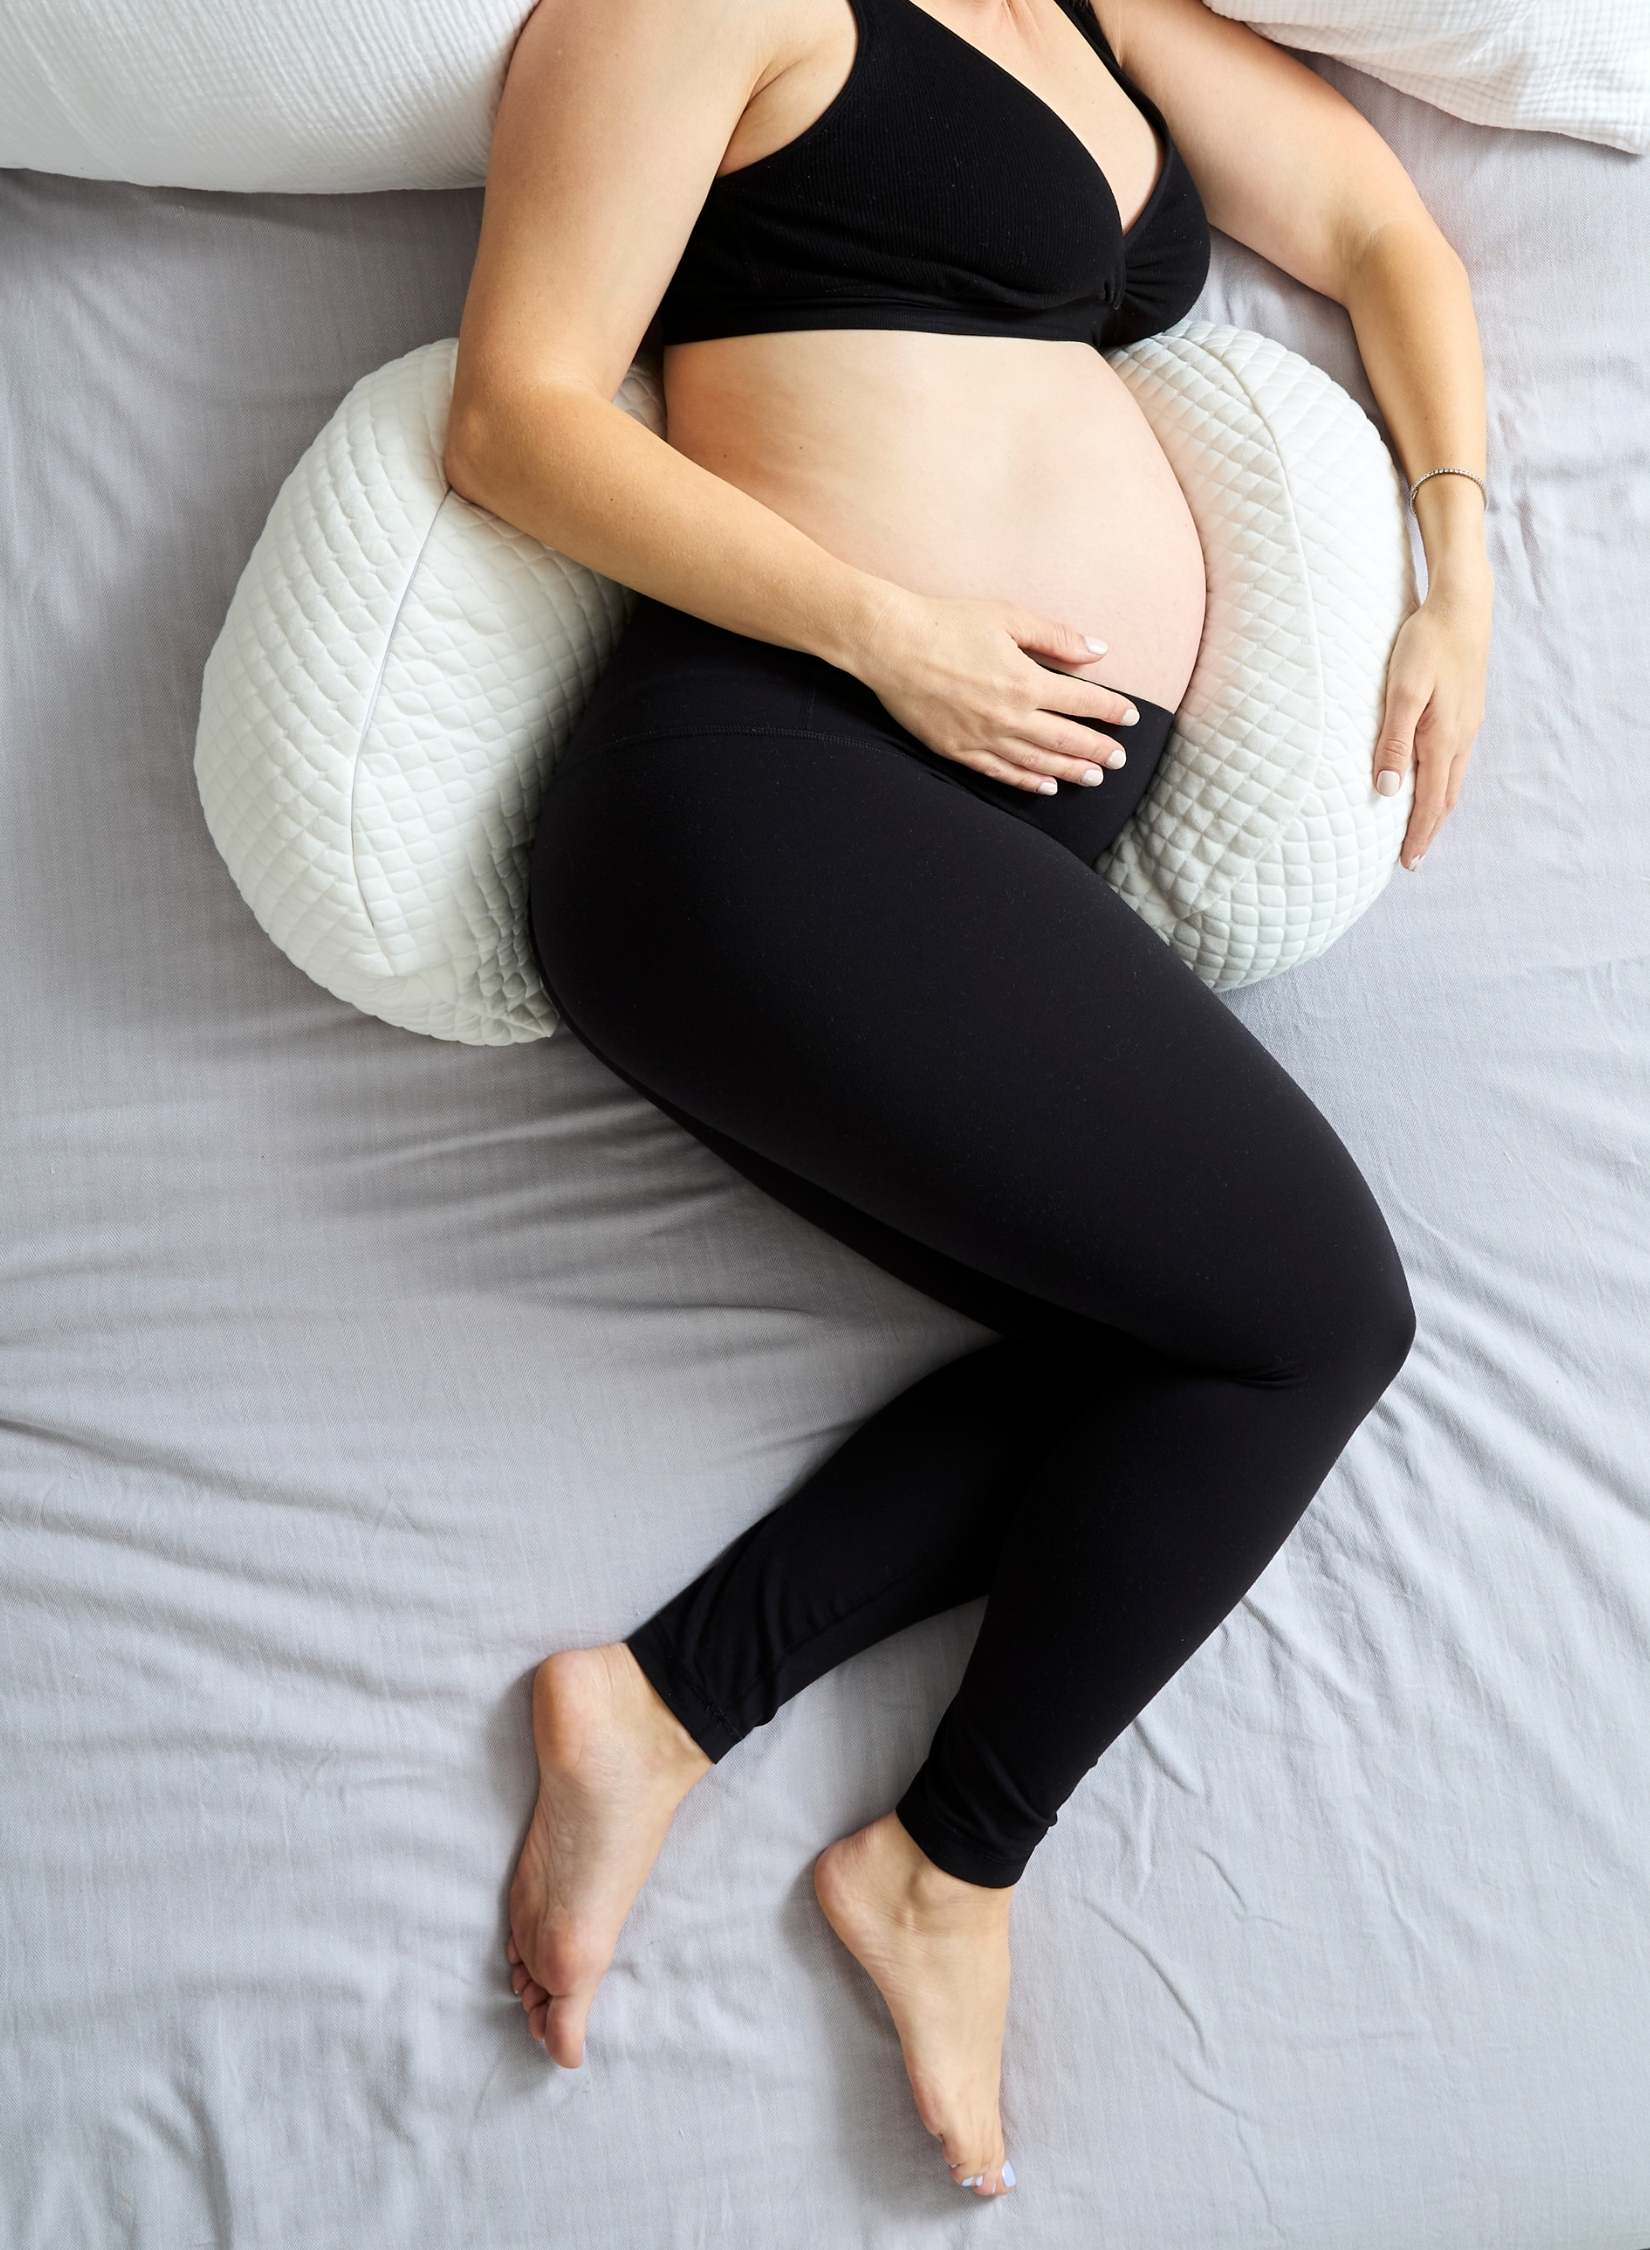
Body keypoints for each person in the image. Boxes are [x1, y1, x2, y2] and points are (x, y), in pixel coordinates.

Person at [444, 0, 1493, 2198]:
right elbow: (519, 420)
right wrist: (882, 628)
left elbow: (1384, 228)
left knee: (1191, 1339)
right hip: (764, 784)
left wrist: (1457, 568)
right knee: (1321, 1313)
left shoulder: (1104, 17)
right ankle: (949, 1866)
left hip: (970, 868)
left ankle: (654, 1711)